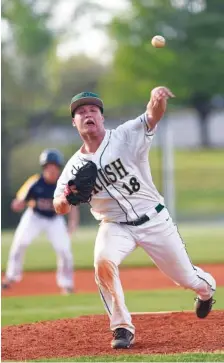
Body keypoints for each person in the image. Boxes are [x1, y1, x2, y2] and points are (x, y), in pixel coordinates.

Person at [53, 90, 216, 348]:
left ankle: (206, 291)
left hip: (154, 219)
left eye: (92, 110)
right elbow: (58, 205)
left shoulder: (125, 136)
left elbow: (153, 116)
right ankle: (121, 328)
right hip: (114, 225)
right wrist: (67, 198)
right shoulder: (72, 167)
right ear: (74, 122)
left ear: (102, 117)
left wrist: (157, 97)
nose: (87, 114)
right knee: (103, 261)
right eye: (81, 112)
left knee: (187, 279)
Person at [2, 149, 79, 295]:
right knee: (19, 243)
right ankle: (11, 277)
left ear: (59, 167)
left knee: (64, 250)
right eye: (48, 166)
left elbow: (73, 205)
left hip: (55, 219)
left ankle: (67, 284)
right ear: (43, 167)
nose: (51, 169)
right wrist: (18, 204)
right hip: (34, 217)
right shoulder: (35, 182)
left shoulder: (63, 185)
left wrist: (72, 222)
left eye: (54, 166)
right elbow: (21, 200)